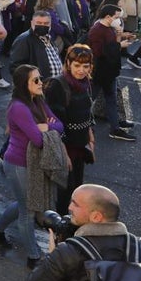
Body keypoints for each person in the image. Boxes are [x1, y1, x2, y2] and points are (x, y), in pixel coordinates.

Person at [0, 64, 65, 267]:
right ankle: (33, 256)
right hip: (18, 164)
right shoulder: (19, 108)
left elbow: (60, 125)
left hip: (33, 163)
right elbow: (38, 140)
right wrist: (49, 128)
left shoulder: (38, 100)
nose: (41, 83)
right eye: (36, 80)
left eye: (40, 78)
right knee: (28, 211)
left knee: (26, 202)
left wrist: (47, 126)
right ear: (24, 84)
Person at [43, 45, 97, 215]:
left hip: (80, 145)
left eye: (86, 66)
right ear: (68, 63)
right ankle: (60, 225)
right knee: (64, 191)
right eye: (77, 65)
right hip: (65, 147)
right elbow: (55, 125)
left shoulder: (86, 83)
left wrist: (90, 138)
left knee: (77, 188)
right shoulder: (57, 85)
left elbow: (87, 111)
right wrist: (64, 153)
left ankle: (71, 221)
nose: (81, 70)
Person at [88, 5, 136, 141]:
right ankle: (81, 126)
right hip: (100, 72)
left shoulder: (109, 28)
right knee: (88, 99)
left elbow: (114, 49)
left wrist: (119, 36)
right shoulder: (97, 30)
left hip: (110, 71)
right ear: (108, 16)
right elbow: (98, 52)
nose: (119, 20)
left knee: (111, 100)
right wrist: (119, 45)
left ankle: (115, 128)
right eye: (116, 17)